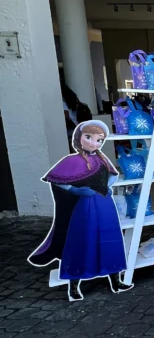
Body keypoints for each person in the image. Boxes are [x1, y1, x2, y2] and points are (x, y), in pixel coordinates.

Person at [28, 120, 133, 301]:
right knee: (81, 240)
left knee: (110, 239)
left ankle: (116, 280)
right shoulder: (71, 160)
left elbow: (112, 174)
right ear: (79, 138)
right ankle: (74, 287)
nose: (94, 143)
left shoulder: (102, 158)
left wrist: (107, 186)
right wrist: (74, 190)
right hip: (85, 206)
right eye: (89, 137)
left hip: (105, 204)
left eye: (99, 140)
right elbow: (56, 179)